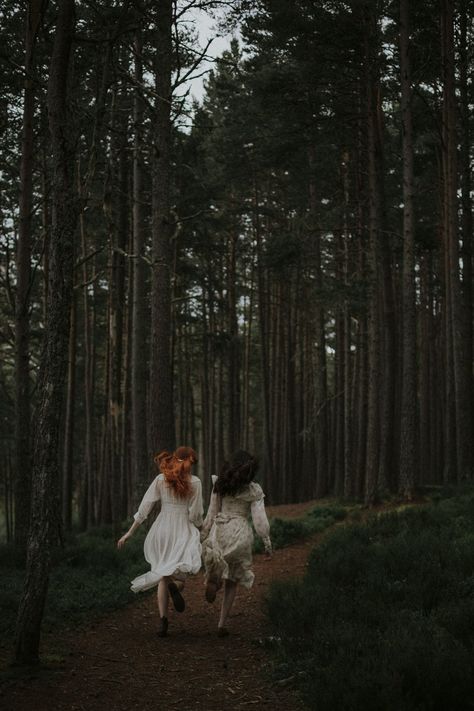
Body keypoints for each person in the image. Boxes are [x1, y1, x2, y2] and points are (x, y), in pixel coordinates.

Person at [117, 446, 203, 637]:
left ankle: (163, 620)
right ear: (186, 459)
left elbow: (145, 507)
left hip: (162, 530)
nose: (192, 465)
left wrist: (130, 533)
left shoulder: (161, 479)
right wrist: (201, 528)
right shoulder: (195, 482)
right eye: (192, 461)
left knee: (163, 574)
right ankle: (175, 586)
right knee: (180, 575)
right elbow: (196, 514)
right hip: (182, 529)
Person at [201, 450, 272, 637]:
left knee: (215, 566)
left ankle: (213, 584)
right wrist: (267, 542)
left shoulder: (220, 484)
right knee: (232, 580)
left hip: (221, 530)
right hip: (240, 535)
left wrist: (204, 534)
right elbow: (259, 520)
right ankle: (221, 624)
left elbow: (211, 513)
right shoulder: (253, 490)